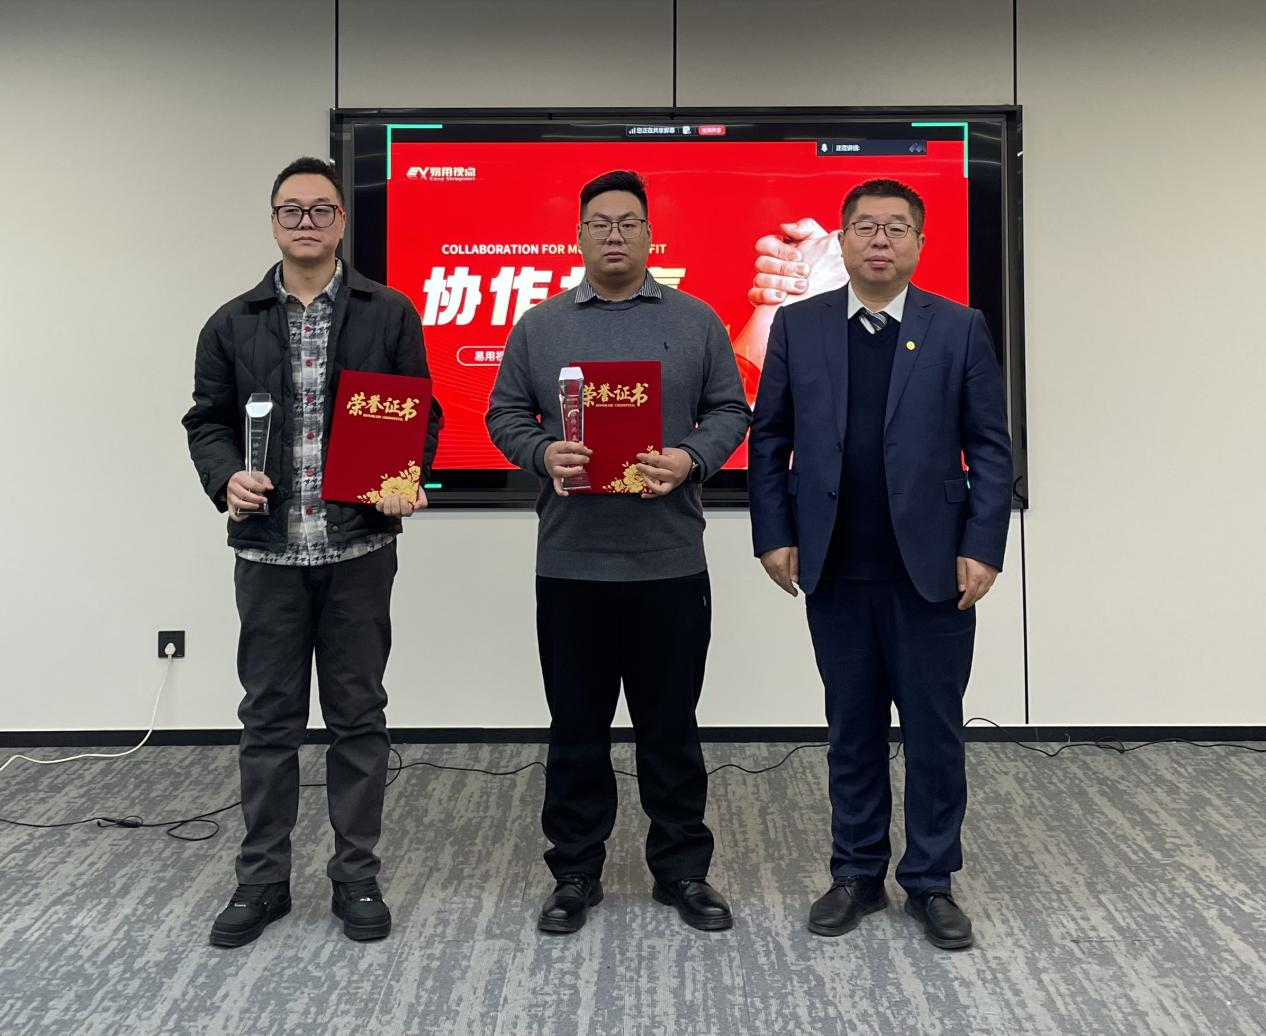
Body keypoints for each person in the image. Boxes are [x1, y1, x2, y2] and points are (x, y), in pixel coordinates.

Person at [183, 156, 442, 948]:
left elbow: (419, 416)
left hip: (357, 547)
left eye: (320, 209)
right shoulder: (232, 322)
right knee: (269, 721)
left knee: (358, 717)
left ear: (341, 223)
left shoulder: (388, 312)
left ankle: (355, 876)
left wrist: (402, 478)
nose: (306, 221)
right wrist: (225, 476)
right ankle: (262, 880)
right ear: (273, 222)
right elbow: (207, 421)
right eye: (291, 210)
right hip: (268, 556)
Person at [748, 178, 1012, 950]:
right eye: (865, 227)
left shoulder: (958, 327)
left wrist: (982, 545)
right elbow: (770, 438)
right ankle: (857, 872)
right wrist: (774, 533)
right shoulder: (799, 326)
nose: (880, 240)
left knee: (934, 733)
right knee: (851, 728)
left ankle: (930, 880)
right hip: (835, 562)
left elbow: (990, 447)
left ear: (920, 243)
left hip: (932, 568)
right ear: (841, 240)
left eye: (897, 228)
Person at [486, 170, 750, 934]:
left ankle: (683, 871)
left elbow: (730, 409)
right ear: (577, 236)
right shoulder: (539, 326)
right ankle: (574, 871)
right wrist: (542, 453)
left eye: (628, 222)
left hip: (669, 561)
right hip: (572, 563)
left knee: (672, 727)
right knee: (576, 729)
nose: (613, 234)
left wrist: (691, 458)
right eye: (599, 222)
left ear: (649, 235)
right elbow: (504, 414)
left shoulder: (697, 320)